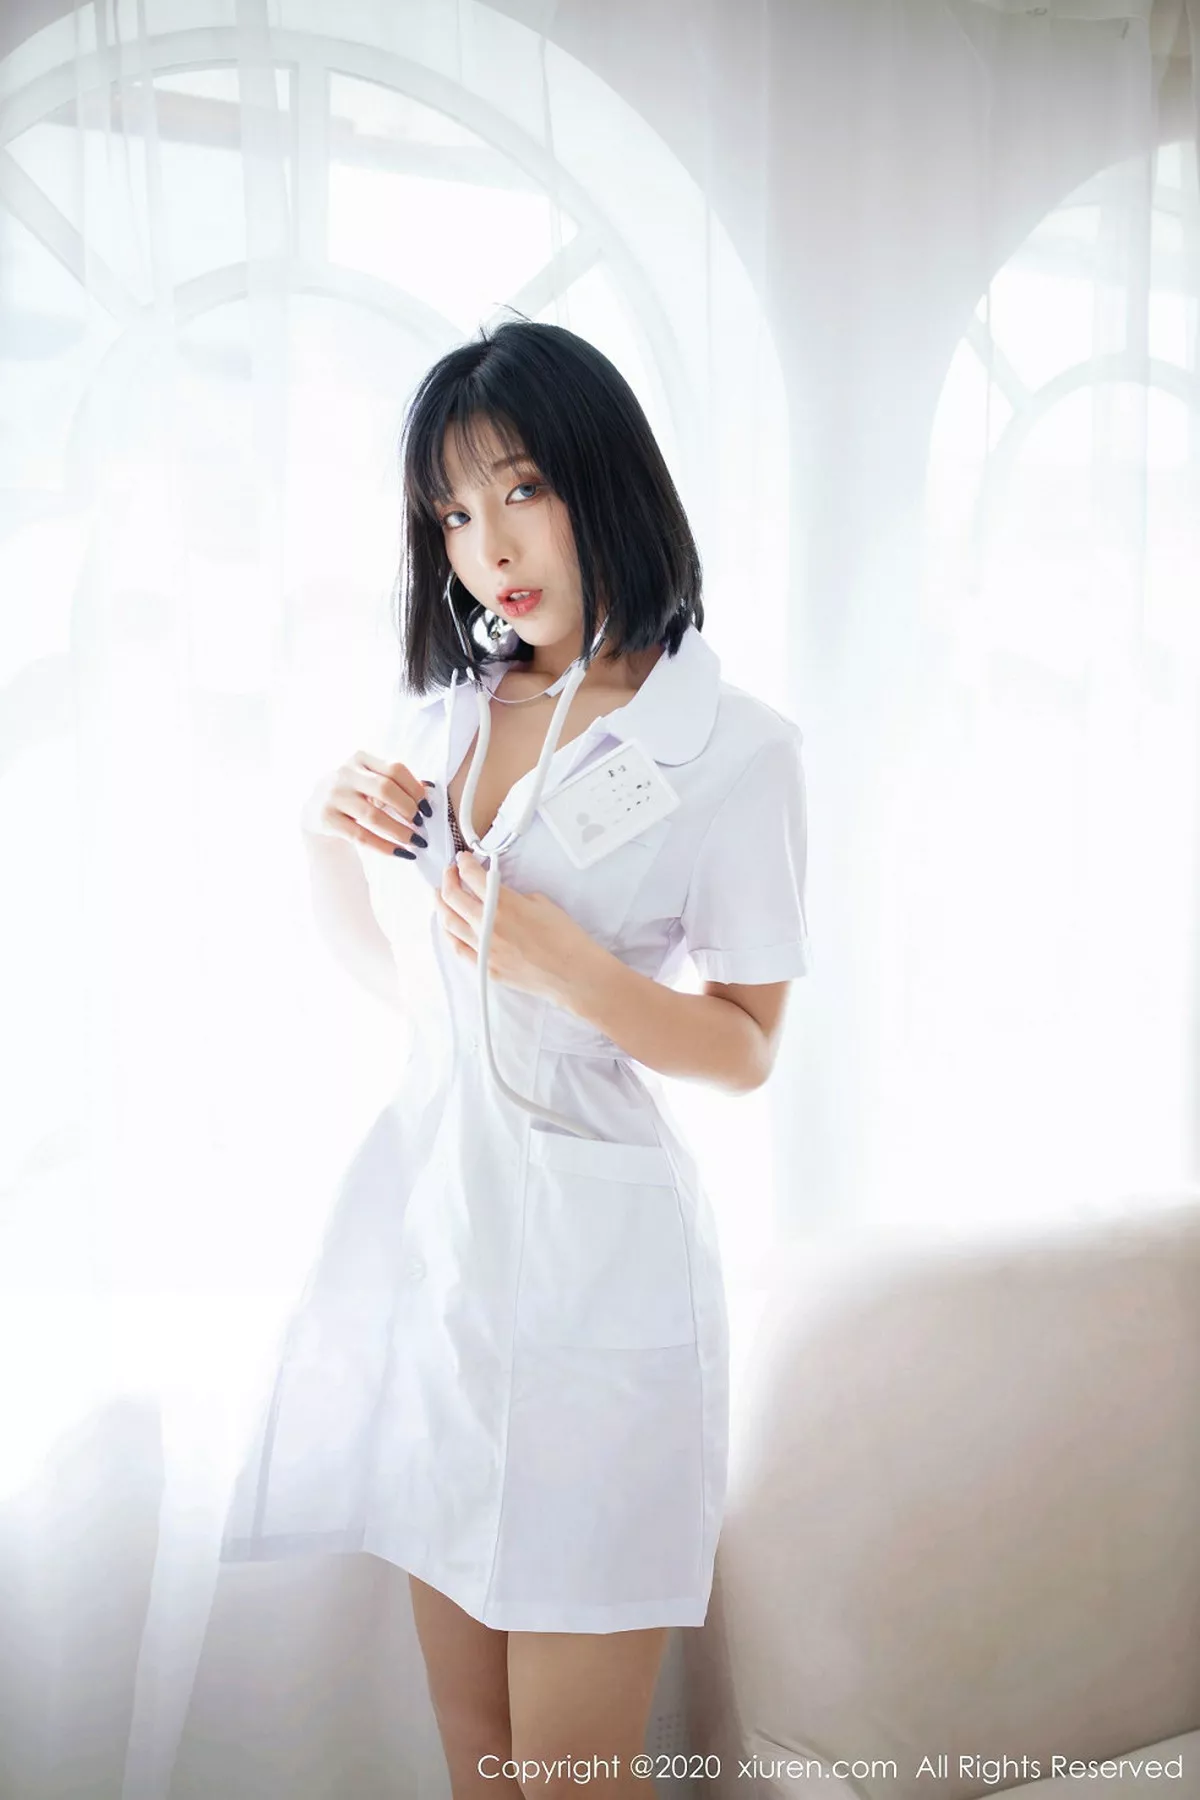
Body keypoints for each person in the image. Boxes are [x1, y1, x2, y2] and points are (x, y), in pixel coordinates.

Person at [219, 319, 812, 1793]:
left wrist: (574, 969)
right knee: (475, 1755)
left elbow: (747, 1048)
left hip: (601, 1290)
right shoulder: (448, 717)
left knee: (572, 1777)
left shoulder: (736, 749)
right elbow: (419, 1001)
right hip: (445, 1278)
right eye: (453, 513)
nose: (489, 547)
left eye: (523, 489)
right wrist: (323, 842)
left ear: (605, 479)